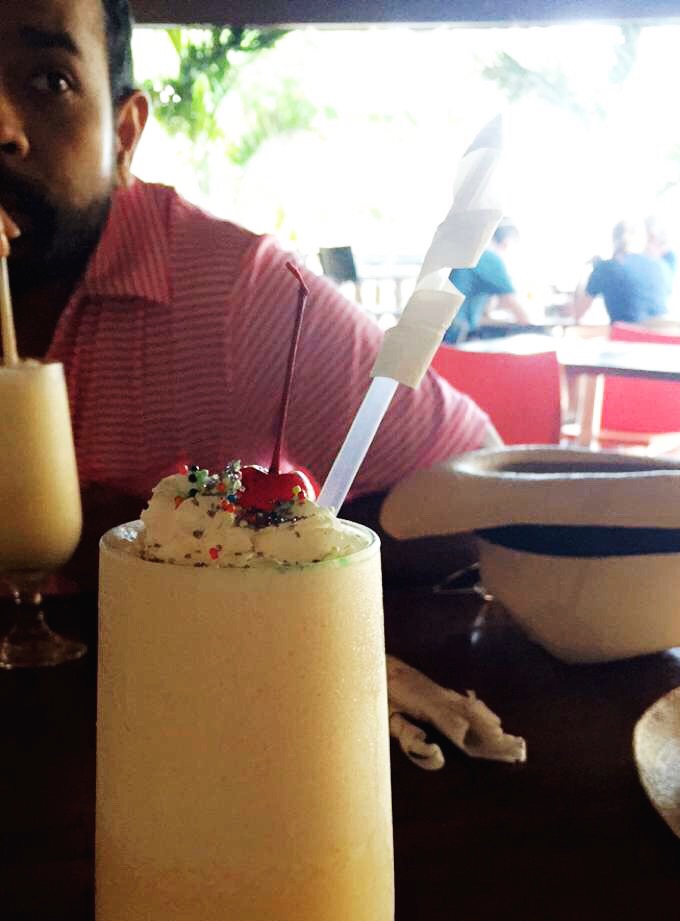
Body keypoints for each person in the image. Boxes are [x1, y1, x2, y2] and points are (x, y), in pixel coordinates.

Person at [0, 0, 494, 557]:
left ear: (124, 134)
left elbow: (475, 477)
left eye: (49, 80)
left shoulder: (233, 294)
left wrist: (238, 554)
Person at [443, 223, 533, 343]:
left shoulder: (473, 255)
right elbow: (516, 309)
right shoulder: (490, 259)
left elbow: (483, 314)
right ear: (507, 244)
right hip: (455, 336)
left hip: (445, 331)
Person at [574, 219, 670, 326]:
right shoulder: (662, 267)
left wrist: (586, 270)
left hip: (626, 338)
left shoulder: (604, 268)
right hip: (664, 337)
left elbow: (578, 313)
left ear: (613, 240)